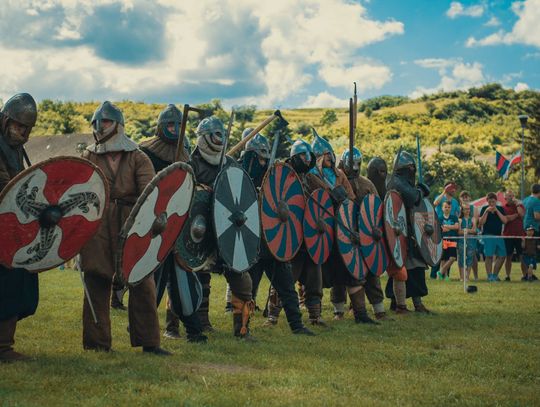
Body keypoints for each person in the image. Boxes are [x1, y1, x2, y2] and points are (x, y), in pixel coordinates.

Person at [79, 101, 170, 355]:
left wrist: (153, 219)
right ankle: (97, 344)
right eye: (97, 122)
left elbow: (151, 193)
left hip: (133, 222)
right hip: (98, 224)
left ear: (118, 125)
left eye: (106, 121)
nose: (100, 126)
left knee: (141, 280)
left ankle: (150, 342)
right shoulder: (88, 156)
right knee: (96, 279)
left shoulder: (137, 156)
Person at [139, 104, 206, 343]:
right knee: (152, 281)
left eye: (179, 124)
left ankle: (194, 330)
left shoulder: (186, 156)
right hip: (154, 227)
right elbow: (144, 190)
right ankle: (141, 326)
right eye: (170, 124)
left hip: (178, 228)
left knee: (182, 279)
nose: (175, 129)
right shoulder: (146, 152)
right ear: (160, 126)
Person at [240, 129, 314, 335]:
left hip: (274, 243)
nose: (263, 163)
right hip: (254, 244)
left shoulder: (273, 176)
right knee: (248, 290)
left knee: (287, 288)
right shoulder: (240, 177)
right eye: (259, 160)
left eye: (265, 160)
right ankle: (243, 327)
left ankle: (297, 326)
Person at [189, 116, 256, 339]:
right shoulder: (191, 164)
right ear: (204, 137)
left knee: (241, 278)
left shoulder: (230, 164)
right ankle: (195, 324)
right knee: (195, 277)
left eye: (222, 134)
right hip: (198, 229)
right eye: (215, 134)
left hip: (228, 230)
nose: (220, 139)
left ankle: (242, 329)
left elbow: (240, 193)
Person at [264, 139, 329, 326]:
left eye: (308, 155)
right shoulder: (282, 174)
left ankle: (315, 316)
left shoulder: (310, 178)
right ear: (294, 157)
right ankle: (272, 316)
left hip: (309, 237)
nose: (307, 159)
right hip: (290, 237)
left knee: (314, 279)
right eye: (302, 155)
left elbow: (323, 198)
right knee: (285, 279)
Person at [0, 93, 39, 362]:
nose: (23, 133)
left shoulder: (15, 149)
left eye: (27, 129)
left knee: (17, 282)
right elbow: (7, 187)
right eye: (19, 127)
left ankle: (4, 345)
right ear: (6, 121)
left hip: (11, 228)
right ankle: (3, 348)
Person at [334, 148, 390, 321]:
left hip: (365, 237)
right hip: (343, 235)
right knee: (340, 276)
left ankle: (379, 310)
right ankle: (339, 311)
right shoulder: (336, 181)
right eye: (352, 163)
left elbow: (376, 209)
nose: (355, 167)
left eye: (358, 163)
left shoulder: (367, 184)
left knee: (372, 274)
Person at [385, 151, 433, 313]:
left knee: (411, 269)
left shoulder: (398, 182)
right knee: (408, 269)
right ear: (404, 169)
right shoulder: (397, 182)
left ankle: (404, 304)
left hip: (408, 232)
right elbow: (413, 198)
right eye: (410, 168)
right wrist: (420, 190)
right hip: (400, 234)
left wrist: (418, 189)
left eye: (414, 167)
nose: (413, 170)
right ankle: (406, 305)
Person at [431, 181, 460, 279]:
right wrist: (444, 192)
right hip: (439, 229)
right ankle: (433, 275)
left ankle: (444, 275)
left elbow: (457, 215)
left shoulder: (455, 201)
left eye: (454, 188)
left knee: (448, 255)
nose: (454, 190)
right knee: (439, 254)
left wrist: (452, 226)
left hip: (450, 230)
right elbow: (435, 203)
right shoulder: (440, 197)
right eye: (452, 188)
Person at [479, 192, 508, 282]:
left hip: (499, 236)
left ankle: (495, 275)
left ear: (496, 201)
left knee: (503, 255)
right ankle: (489, 276)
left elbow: (505, 221)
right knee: (489, 256)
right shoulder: (484, 208)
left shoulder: (500, 208)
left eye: (493, 201)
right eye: (490, 202)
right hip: (488, 235)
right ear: (487, 201)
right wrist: (487, 211)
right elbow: (481, 223)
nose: (491, 204)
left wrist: (497, 211)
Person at [502, 190, 525, 281]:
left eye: (512, 196)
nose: (511, 198)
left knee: (522, 256)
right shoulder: (503, 208)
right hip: (508, 235)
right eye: (509, 196)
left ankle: (525, 275)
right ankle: (507, 276)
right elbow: (507, 219)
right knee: (508, 256)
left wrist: (518, 204)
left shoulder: (520, 206)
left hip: (520, 235)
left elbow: (522, 214)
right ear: (505, 198)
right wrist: (516, 215)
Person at [459, 190, 479, 280]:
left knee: (470, 257)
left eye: (468, 209)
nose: (467, 211)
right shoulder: (460, 218)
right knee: (461, 257)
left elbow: (475, 229)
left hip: (471, 239)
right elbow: (459, 231)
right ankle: (462, 277)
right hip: (461, 240)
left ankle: (468, 276)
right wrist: (466, 230)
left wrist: (467, 230)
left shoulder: (473, 215)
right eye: (465, 209)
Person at [522, 184, 540, 280]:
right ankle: (529, 275)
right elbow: (537, 216)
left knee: (527, 252)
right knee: (533, 253)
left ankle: (527, 274)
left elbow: (522, 213)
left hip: (525, 227)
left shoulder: (526, 200)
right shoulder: (537, 201)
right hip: (534, 229)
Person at [439, 201, 459, 280]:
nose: (447, 208)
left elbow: (457, 227)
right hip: (443, 240)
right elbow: (442, 229)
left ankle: (440, 271)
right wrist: (452, 226)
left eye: (449, 207)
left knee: (452, 258)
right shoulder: (440, 218)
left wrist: (447, 226)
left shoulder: (454, 217)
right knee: (444, 259)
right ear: (442, 208)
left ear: (451, 208)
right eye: (445, 207)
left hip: (452, 240)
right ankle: (445, 276)